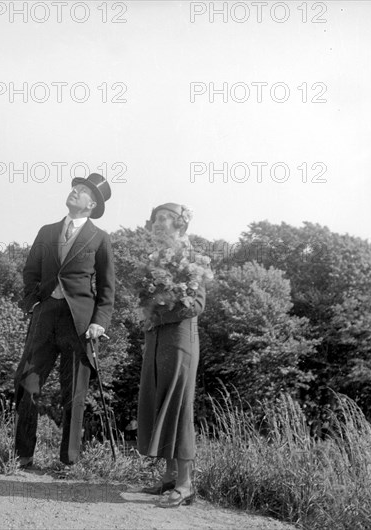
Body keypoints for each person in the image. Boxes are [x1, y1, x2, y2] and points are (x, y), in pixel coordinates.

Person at [14, 173, 115, 467]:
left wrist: (99, 322)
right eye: (75, 187)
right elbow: (30, 271)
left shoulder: (100, 238)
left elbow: (108, 287)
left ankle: (68, 461)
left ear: (92, 204)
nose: (75, 192)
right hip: (45, 317)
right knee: (27, 384)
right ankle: (23, 456)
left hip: (80, 323)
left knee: (74, 393)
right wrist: (33, 301)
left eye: (82, 191)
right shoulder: (46, 231)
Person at [137, 202, 206, 508]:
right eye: (156, 219)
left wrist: (159, 315)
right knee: (159, 402)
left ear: (180, 224)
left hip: (179, 340)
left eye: (166, 218)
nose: (160, 223)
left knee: (178, 406)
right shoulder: (154, 259)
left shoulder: (189, 255)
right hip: (156, 341)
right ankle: (168, 479)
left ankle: (185, 484)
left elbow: (196, 305)